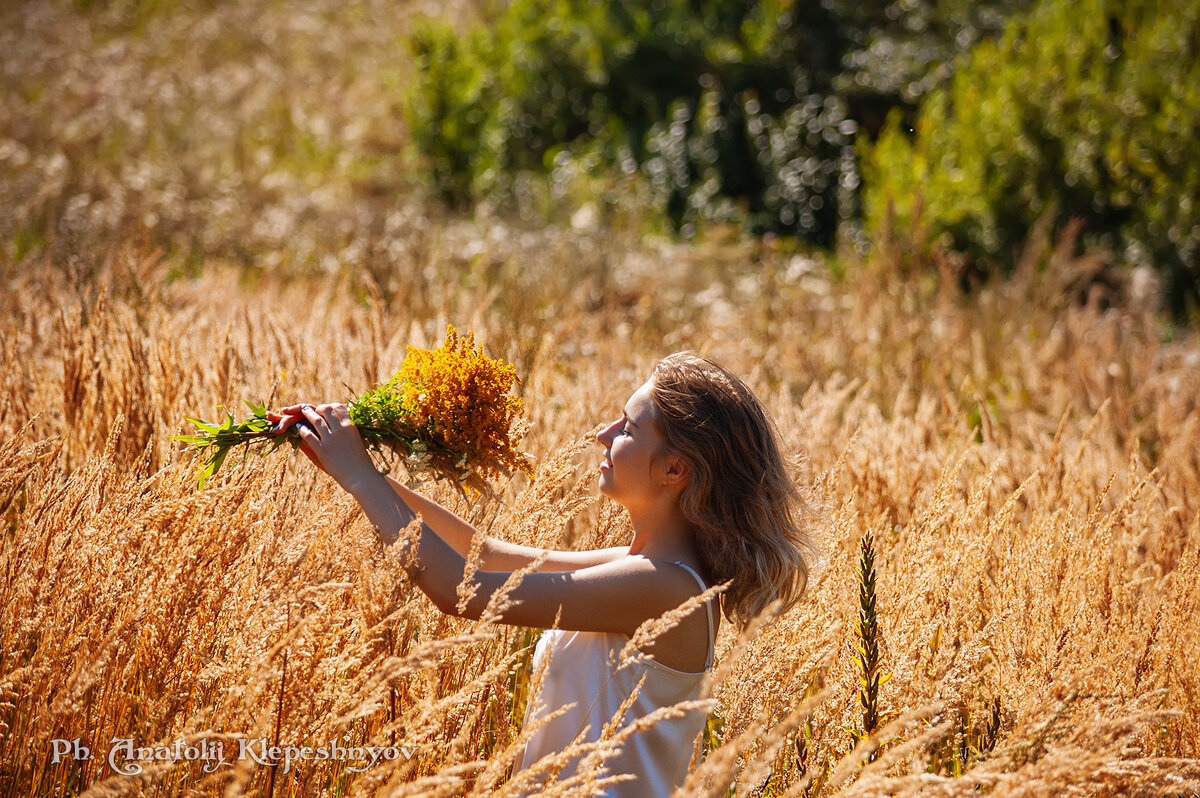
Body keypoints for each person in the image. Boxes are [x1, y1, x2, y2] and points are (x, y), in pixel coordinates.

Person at [268, 352, 813, 796]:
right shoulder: (643, 570)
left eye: (629, 426)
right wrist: (349, 465)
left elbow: (464, 591)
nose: (604, 433)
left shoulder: (665, 589)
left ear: (676, 469)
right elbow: (484, 554)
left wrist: (362, 476)